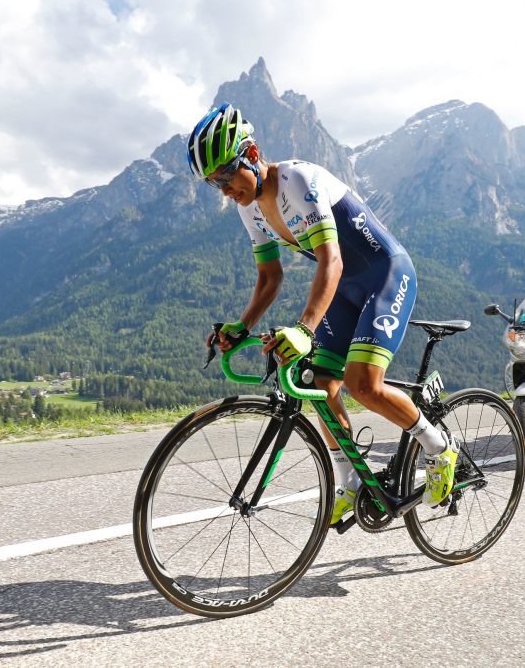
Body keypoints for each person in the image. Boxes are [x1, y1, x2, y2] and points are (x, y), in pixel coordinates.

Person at [188, 102, 458, 525]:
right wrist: (241, 327)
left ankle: (439, 446)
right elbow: (270, 277)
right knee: (316, 382)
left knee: (362, 384)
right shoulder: (248, 207)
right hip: (346, 289)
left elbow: (330, 260)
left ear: (253, 156)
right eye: (213, 183)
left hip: (385, 274)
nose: (223, 189)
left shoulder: (297, 179)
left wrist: (304, 329)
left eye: (225, 175)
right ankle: (350, 480)